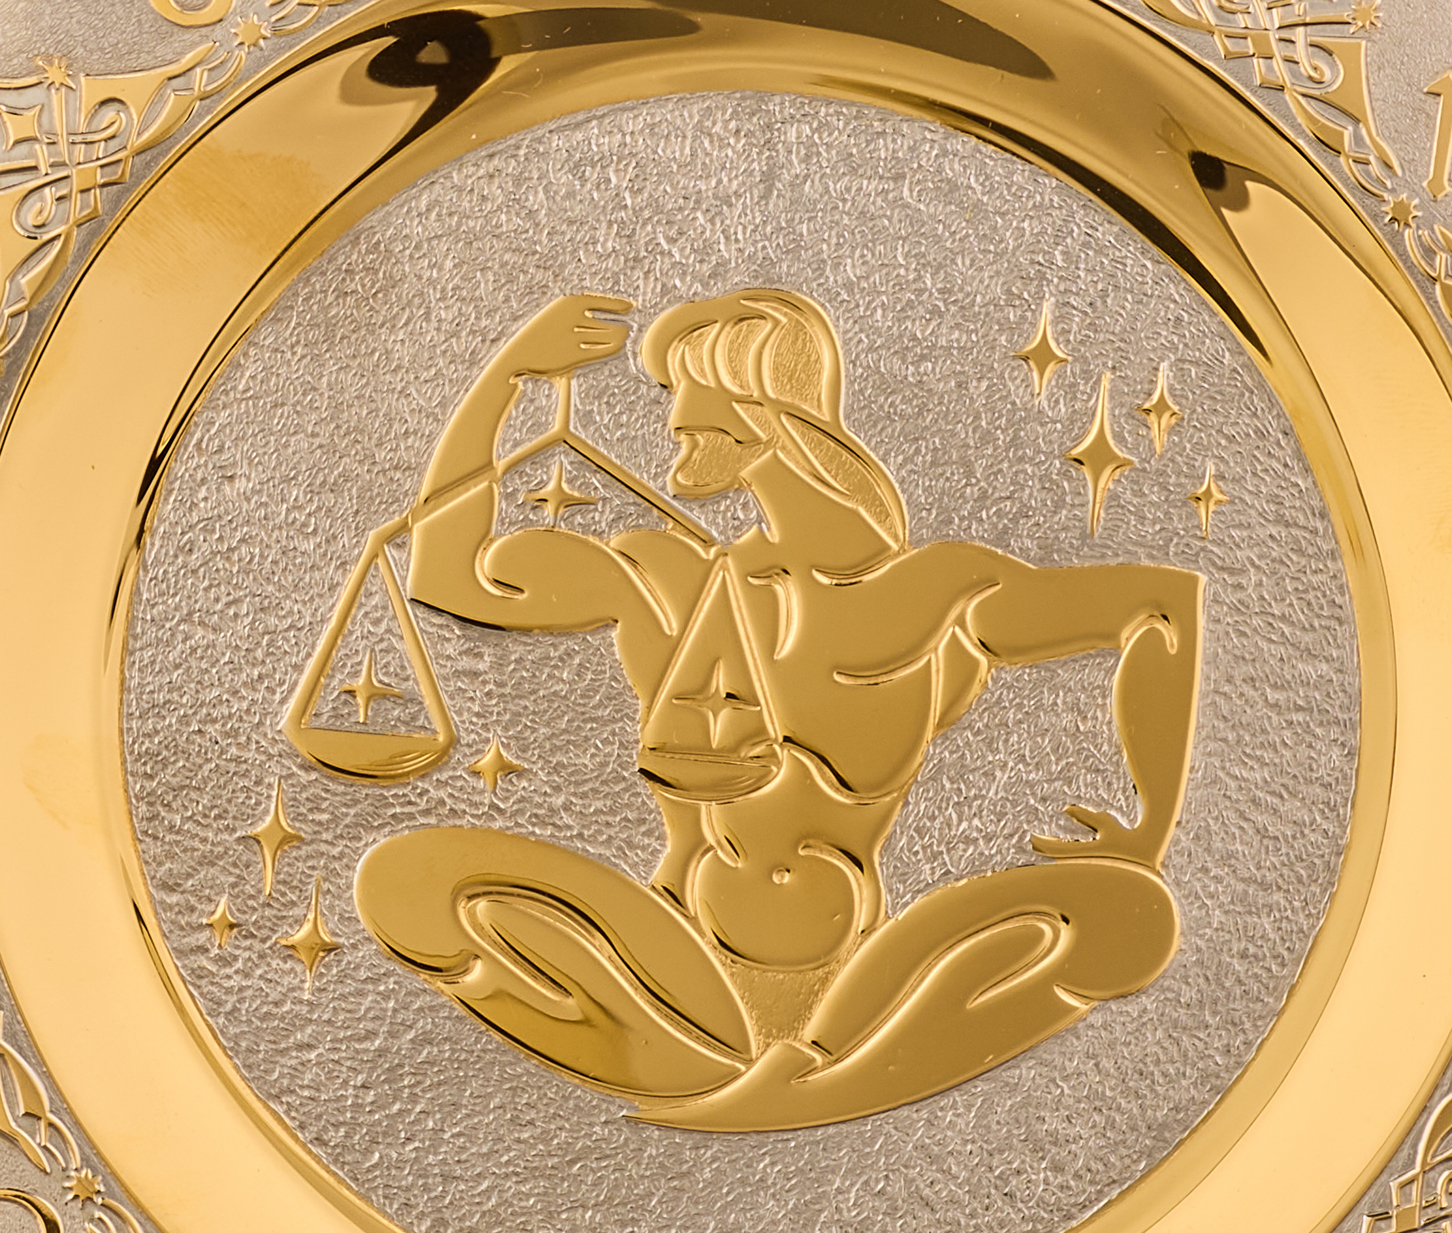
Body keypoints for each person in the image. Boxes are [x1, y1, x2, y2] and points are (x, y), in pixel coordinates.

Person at [354, 291, 1203, 1131]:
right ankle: (768, 1083)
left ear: (760, 413)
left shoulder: (927, 593)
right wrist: (507, 378)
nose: (672, 420)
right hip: (674, 969)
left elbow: (1159, 609)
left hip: (861, 983)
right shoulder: (669, 578)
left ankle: (790, 1084)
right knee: (403, 882)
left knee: (1130, 918)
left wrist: (1148, 833)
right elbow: (446, 576)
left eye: (688, 393)